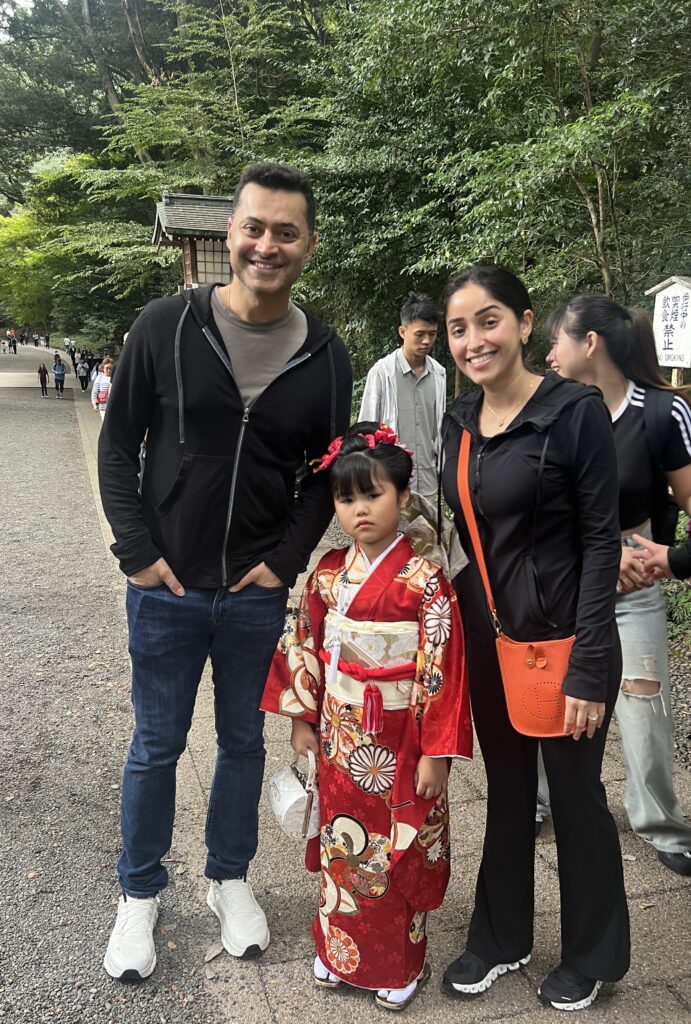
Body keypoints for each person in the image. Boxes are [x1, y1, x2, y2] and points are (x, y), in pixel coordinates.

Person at [98, 161, 352, 982]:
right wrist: (136, 553)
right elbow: (117, 444)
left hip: (252, 593)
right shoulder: (165, 325)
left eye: (285, 231)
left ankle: (228, 878)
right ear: (228, 235)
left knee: (243, 743)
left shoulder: (324, 355)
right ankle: (139, 894)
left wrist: (285, 562)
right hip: (166, 588)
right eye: (254, 227)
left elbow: (325, 473)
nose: (266, 245)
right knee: (156, 745)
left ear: (308, 245)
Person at [440, 265, 630, 1012]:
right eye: (458, 328)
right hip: (491, 641)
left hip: (565, 643)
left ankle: (592, 953)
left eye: (486, 321)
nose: (472, 340)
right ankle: (500, 937)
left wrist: (588, 662)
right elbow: (468, 537)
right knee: (508, 791)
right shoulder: (461, 421)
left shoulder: (573, 411)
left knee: (577, 799)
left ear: (523, 324)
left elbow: (600, 540)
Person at [261, 423, 472, 1010]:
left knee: (395, 848)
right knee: (341, 844)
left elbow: (443, 670)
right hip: (339, 731)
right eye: (345, 498)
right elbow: (304, 643)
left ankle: (398, 963)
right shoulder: (328, 574)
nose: (358, 511)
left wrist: (437, 751)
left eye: (372, 495)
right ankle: (337, 949)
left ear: (403, 497)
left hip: (402, 740)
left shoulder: (426, 581)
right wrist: (302, 716)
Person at [541, 298, 691, 877]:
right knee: (549, 689)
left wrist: (669, 557)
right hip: (565, 576)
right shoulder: (552, 411)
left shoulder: (662, 412)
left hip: (635, 577)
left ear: (591, 344)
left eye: (557, 341)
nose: (549, 355)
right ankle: (537, 801)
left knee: (643, 703)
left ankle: (658, 821)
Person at [359, 293, 446, 502]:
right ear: (402, 331)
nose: (427, 341)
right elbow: (365, 430)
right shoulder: (382, 373)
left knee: (426, 535)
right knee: (391, 536)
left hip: (427, 483)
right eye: (420, 334)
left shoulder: (439, 374)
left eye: (432, 334)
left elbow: (439, 432)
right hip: (389, 481)